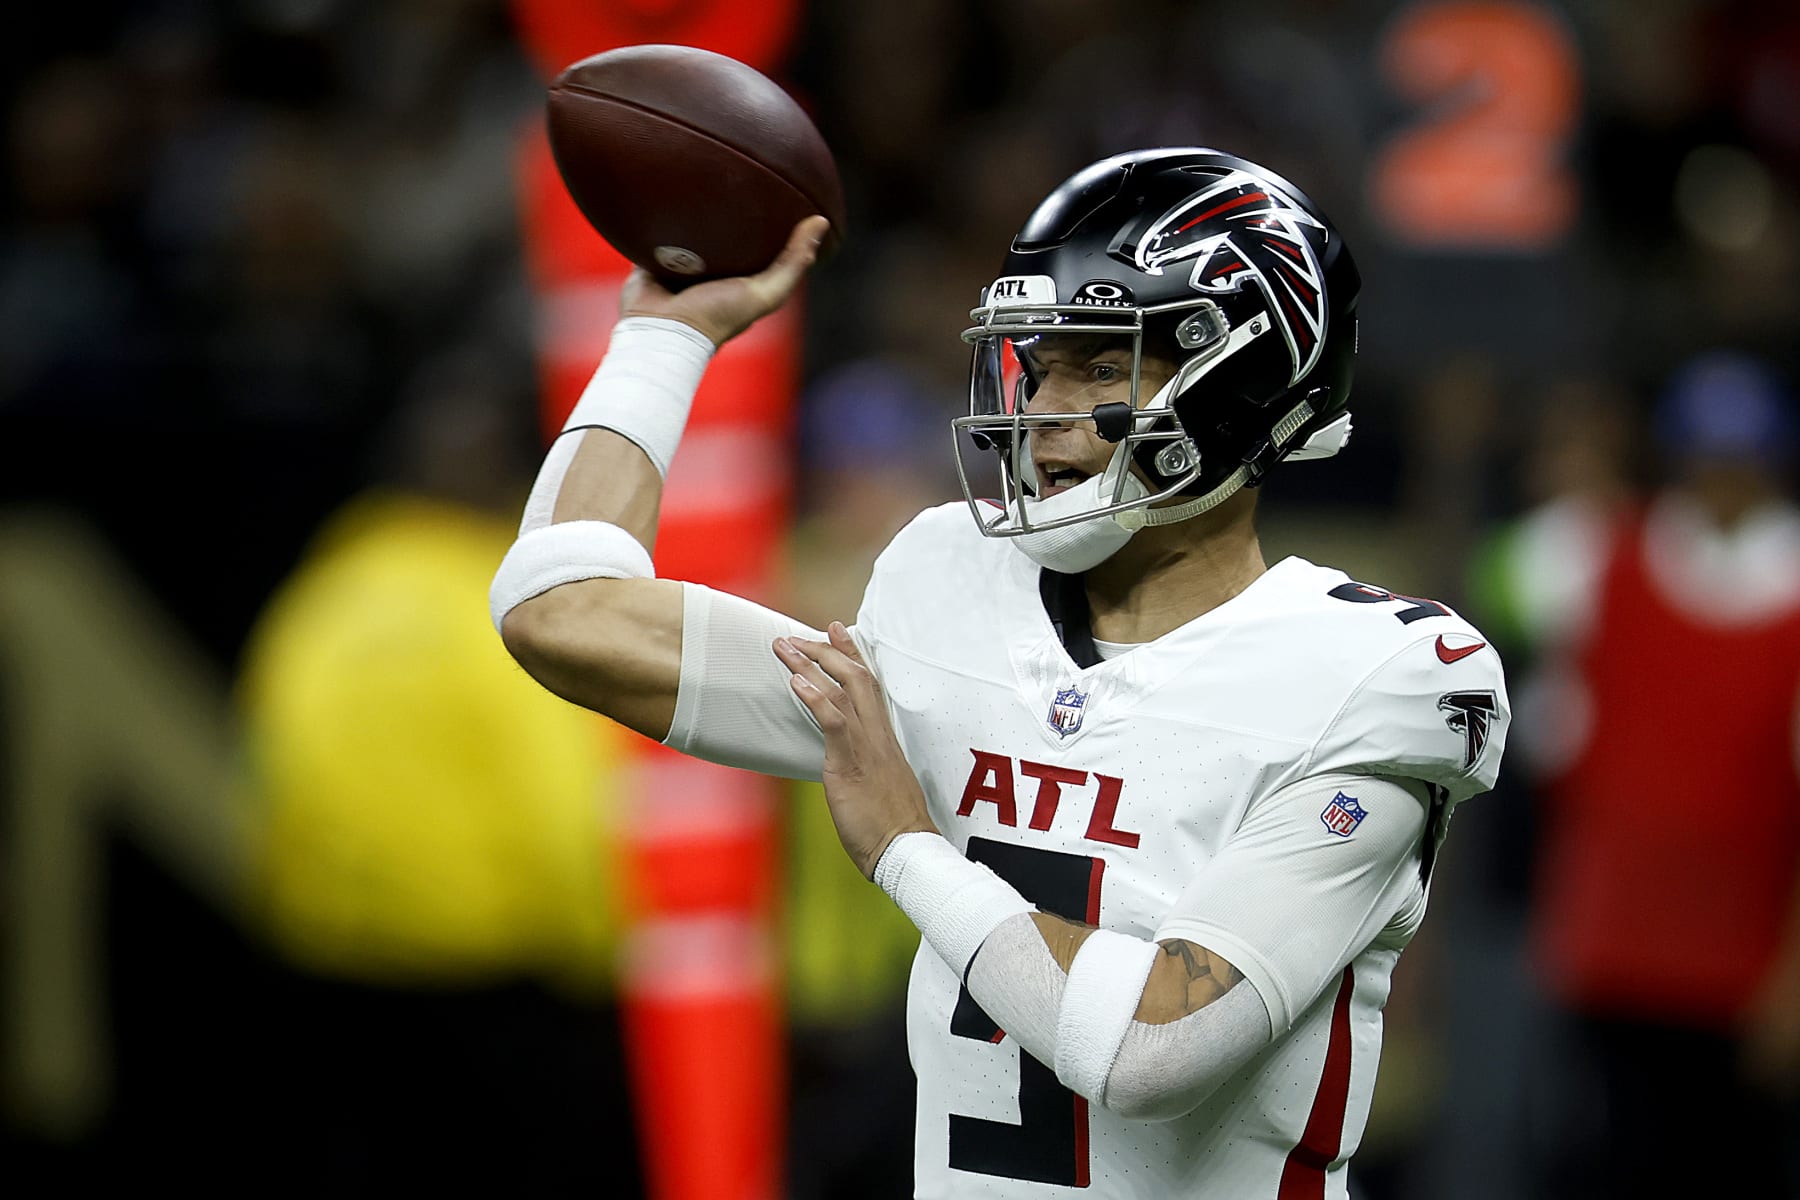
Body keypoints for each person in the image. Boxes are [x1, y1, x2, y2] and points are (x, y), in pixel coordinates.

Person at [489, 148, 1510, 1197]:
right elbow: (560, 613)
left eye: (1102, 366)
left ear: (1246, 380)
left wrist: (906, 847)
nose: (1045, 406)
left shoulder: (1375, 674)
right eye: (1041, 362)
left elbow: (1147, 1050)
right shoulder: (949, 587)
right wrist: (664, 339)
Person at [1495, 352, 1800, 1197]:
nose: (1721, 482)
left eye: (1740, 462)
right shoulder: (1598, 560)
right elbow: (1502, 574)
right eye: (1705, 460)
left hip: (1742, 973)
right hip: (1608, 951)